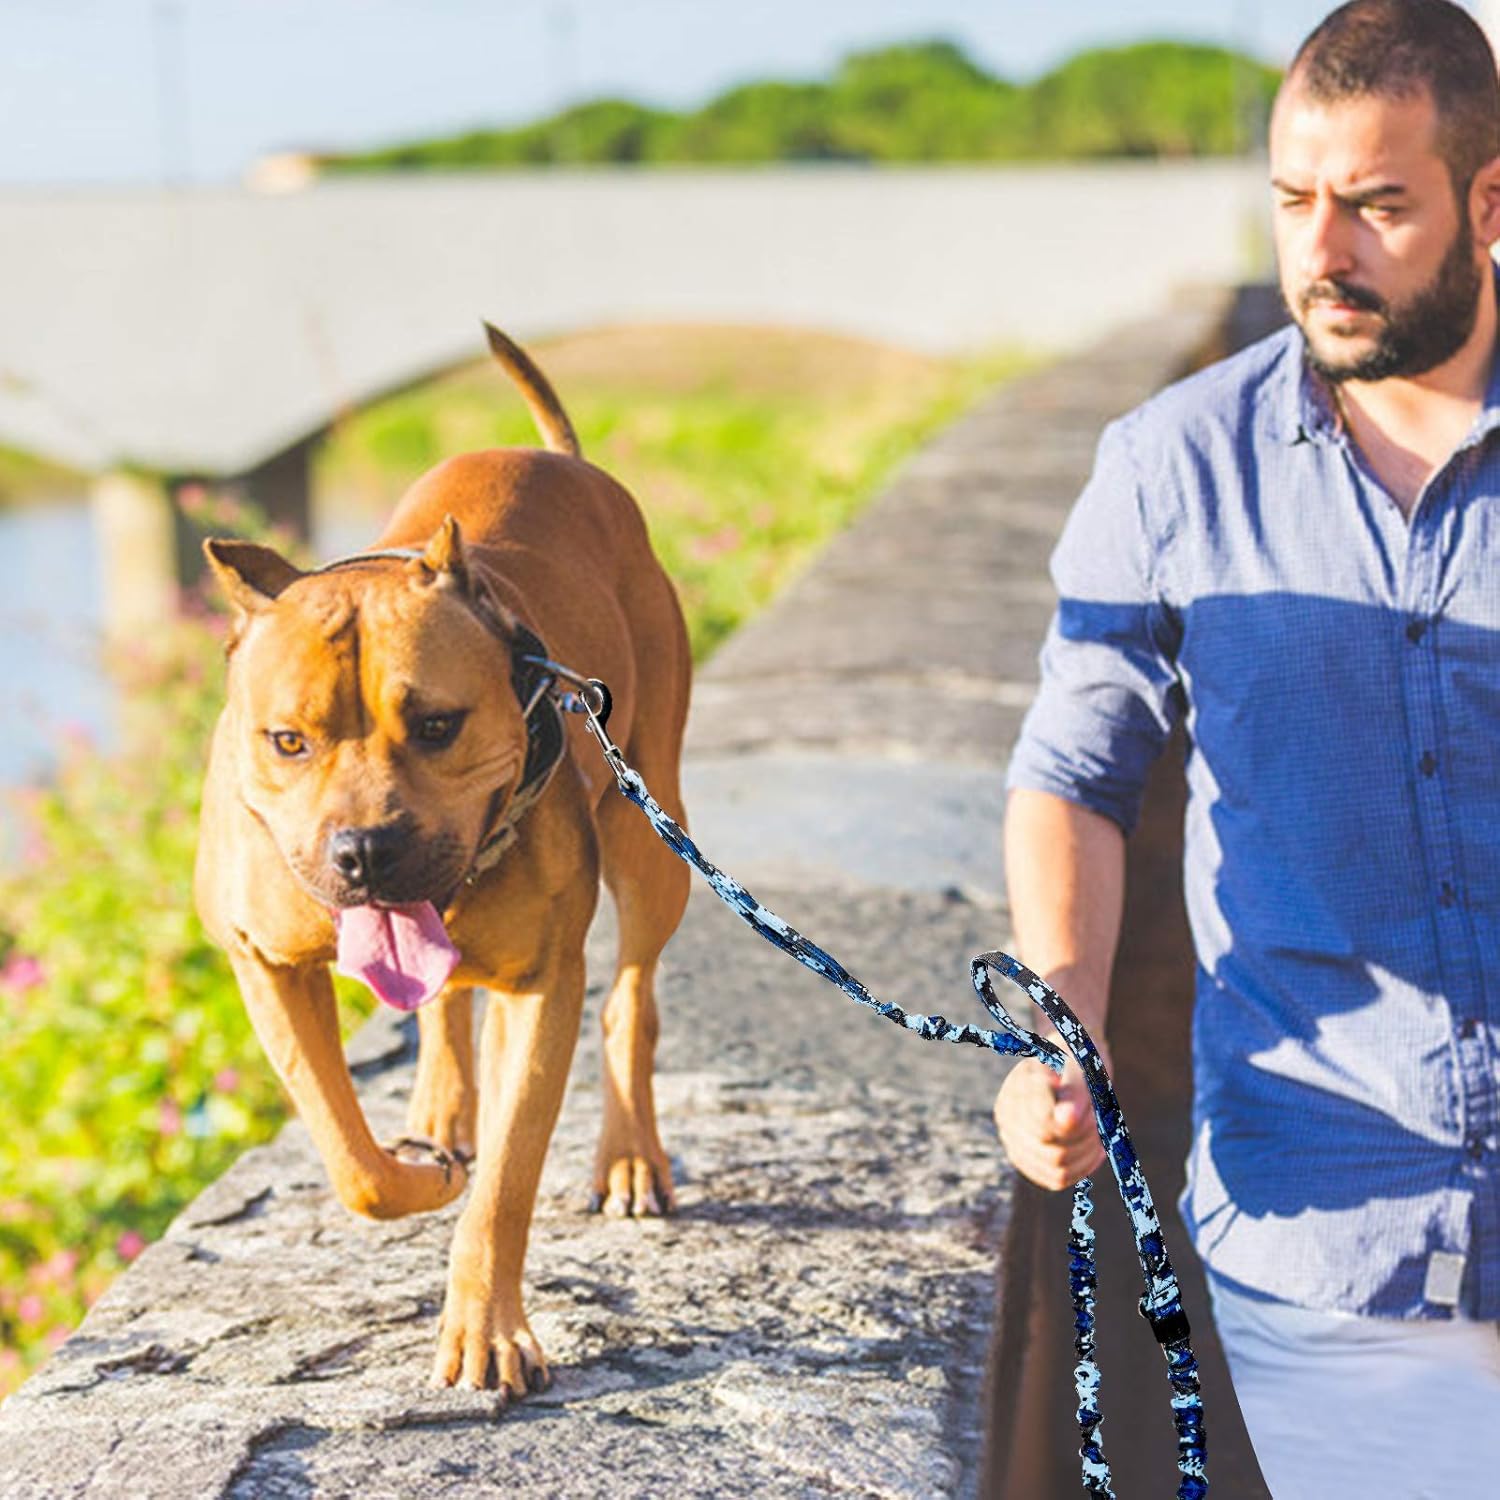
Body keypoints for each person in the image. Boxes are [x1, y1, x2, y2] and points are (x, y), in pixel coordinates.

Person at [993, 2, 1500, 1493]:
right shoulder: (1172, 466)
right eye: (1294, 201)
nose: (1321, 251)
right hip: (1327, 1221)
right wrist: (1062, 1032)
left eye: (1377, 205)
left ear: (1489, 203)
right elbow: (1074, 775)